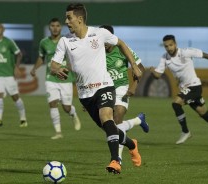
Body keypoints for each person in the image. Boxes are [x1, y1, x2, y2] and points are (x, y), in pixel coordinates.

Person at [50, 3, 142, 174]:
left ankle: (115, 160)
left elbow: (121, 43)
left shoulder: (99, 33)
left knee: (107, 116)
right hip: (85, 94)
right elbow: (54, 64)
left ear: (79, 19)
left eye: (69, 17)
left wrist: (134, 65)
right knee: (109, 128)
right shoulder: (65, 41)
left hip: (105, 86)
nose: (66, 21)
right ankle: (131, 144)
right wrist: (56, 70)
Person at [150, 34, 208, 144]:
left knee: (176, 104)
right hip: (185, 88)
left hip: (194, 86)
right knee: (203, 113)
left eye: (171, 45)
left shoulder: (186, 52)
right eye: (166, 46)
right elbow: (158, 75)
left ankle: (185, 131)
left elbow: (204, 55)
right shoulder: (164, 57)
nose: (169, 48)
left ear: (175, 44)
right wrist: (153, 71)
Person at [99, 25, 149, 162]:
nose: (105, 43)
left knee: (118, 116)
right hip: (104, 88)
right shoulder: (97, 52)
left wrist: (134, 86)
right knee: (108, 125)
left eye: (107, 39)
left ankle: (117, 158)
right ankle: (138, 120)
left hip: (121, 87)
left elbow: (140, 68)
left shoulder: (123, 49)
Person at [30, 17, 81, 139]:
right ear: (49, 27)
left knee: (66, 107)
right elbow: (41, 57)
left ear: (61, 27)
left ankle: (73, 114)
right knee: (52, 103)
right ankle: (58, 132)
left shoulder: (67, 40)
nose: (55, 28)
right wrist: (34, 68)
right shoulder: (44, 42)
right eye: (52, 26)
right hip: (51, 78)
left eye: (57, 26)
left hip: (65, 78)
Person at [0, 23, 28, 127]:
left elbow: (19, 54)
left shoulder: (9, 42)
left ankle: (23, 118)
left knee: (15, 97)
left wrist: (16, 67)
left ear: (3, 30)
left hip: (8, 75)